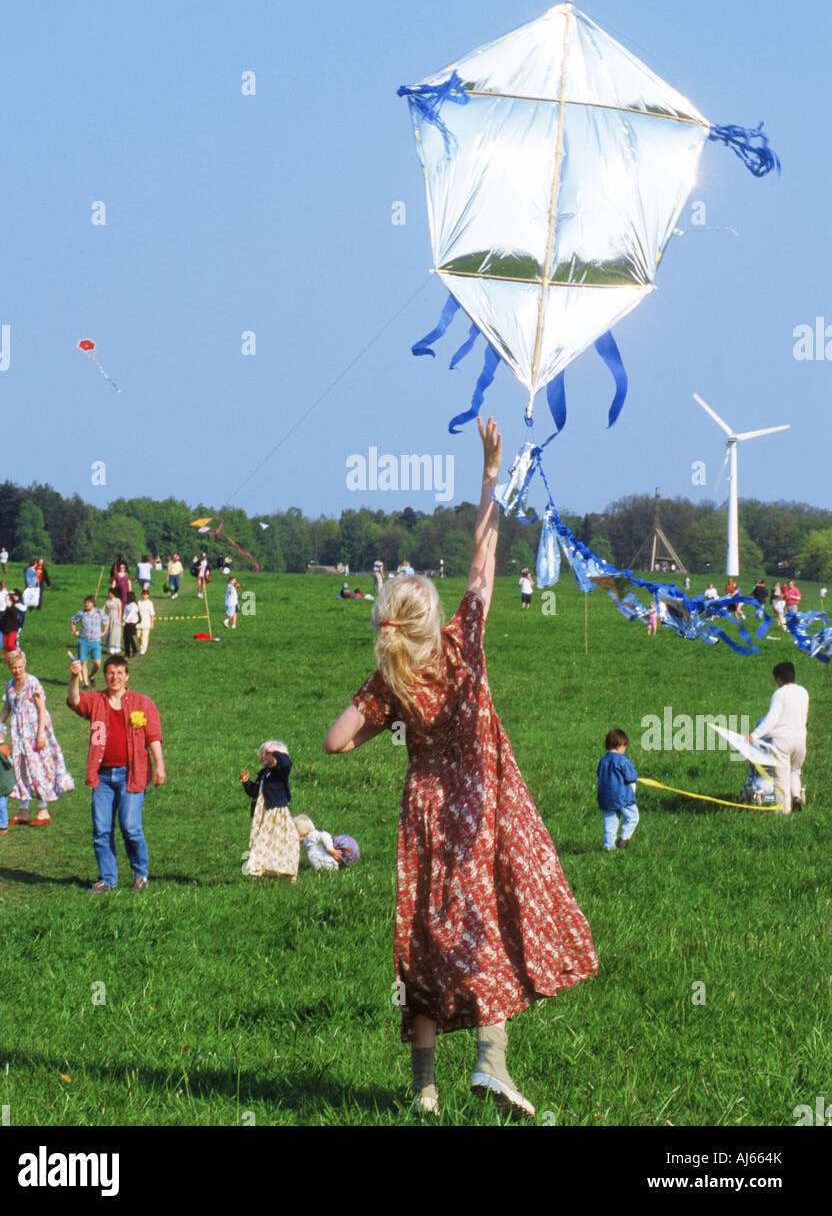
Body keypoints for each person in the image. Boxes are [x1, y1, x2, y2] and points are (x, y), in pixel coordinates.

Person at [324, 418, 598, 1119]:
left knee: (422, 937)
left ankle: (424, 1089)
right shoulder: (463, 642)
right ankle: (491, 1064)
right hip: (477, 804)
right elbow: (484, 557)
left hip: (423, 812)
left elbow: (333, 741)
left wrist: (374, 706)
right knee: (486, 924)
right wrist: (490, 473)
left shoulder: (392, 682)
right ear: (431, 615)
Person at [66, 654, 165, 891]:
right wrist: (73, 678)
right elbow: (74, 701)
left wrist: (159, 764)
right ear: (105, 676)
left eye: (120, 673)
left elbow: (153, 736)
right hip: (102, 776)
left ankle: (140, 875)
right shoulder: (96, 700)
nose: (115, 677)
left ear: (127, 676)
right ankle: (107, 879)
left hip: (132, 774)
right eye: (110, 673)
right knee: (101, 829)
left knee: (130, 827)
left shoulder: (143, 703)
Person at [0, 649, 74, 825]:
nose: (17, 670)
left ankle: (43, 809)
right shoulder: (10, 685)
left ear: (24, 665)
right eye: (13, 668)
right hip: (18, 733)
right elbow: (6, 710)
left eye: (19, 667)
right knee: (20, 768)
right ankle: (23, 810)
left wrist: (41, 733)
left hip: (34, 731)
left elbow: (41, 709)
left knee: (37, 767)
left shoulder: (33, 683)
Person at [750, 661, 809, 814]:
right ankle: (796, 795)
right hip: (800, 739)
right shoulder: (803, 692)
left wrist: (754, 735)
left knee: (781, 777)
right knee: (795, 771)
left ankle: (783, 812)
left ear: (778, 679)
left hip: (782, 740)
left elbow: (771, 719)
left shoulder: (779, 693)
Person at [240, 742, 298, 881]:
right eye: (262, 753)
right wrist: (246, 783)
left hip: (275, 812)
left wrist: (276, 753)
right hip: (262, 814)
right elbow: (254, 792)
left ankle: (287, 871)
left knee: (279, 841)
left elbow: (286, 764)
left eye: (267, 753)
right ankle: (259, 871)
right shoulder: (264, 774)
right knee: (260, 840)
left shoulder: (280, 772)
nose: (263, 755)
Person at [597, 728, 640, 851]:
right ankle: (624, 838)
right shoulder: (623, 760)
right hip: (623, 797)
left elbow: (599, 775)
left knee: (610, 823)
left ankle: (609, 847)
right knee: (633, 817)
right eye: (625, 746)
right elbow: (631, 777)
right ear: (620, 745)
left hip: (605, 798)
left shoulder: (603, 760)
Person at [70, 595, 109, 685]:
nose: (86, 604)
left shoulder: (99, 613)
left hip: (96, 642)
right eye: (85, 602)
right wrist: (74, 631)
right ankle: (86, 683)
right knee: (83, 662)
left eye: (88, 602)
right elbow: (72, 621)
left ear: (93, 603)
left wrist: (104, 632)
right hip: (84, 641)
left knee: (97, 663)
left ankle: (91, 675)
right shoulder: (82, 613)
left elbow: (106, 621)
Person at [104, 586, 123, 655]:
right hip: (109, 618)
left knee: (115, 633)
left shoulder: (118, 600)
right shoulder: (107, 601)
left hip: (116, 618)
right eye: (109, 593)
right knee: (109, 632)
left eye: (111, 593)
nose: (109, 594)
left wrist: (118, 619)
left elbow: (120, 610)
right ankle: (110, 647)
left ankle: (116, 648)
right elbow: (103, 610)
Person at [136, 588, 155, 655]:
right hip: (138, 623)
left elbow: (152, 614)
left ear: (148, 595)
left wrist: (152, 623)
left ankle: (143, 649)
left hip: (146, 622)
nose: (144, 596)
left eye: (146, 595)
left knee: (144, 636)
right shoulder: (138, 602)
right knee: (138, 636)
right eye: (143, 594)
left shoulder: (150, 603)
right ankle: (140, 646)